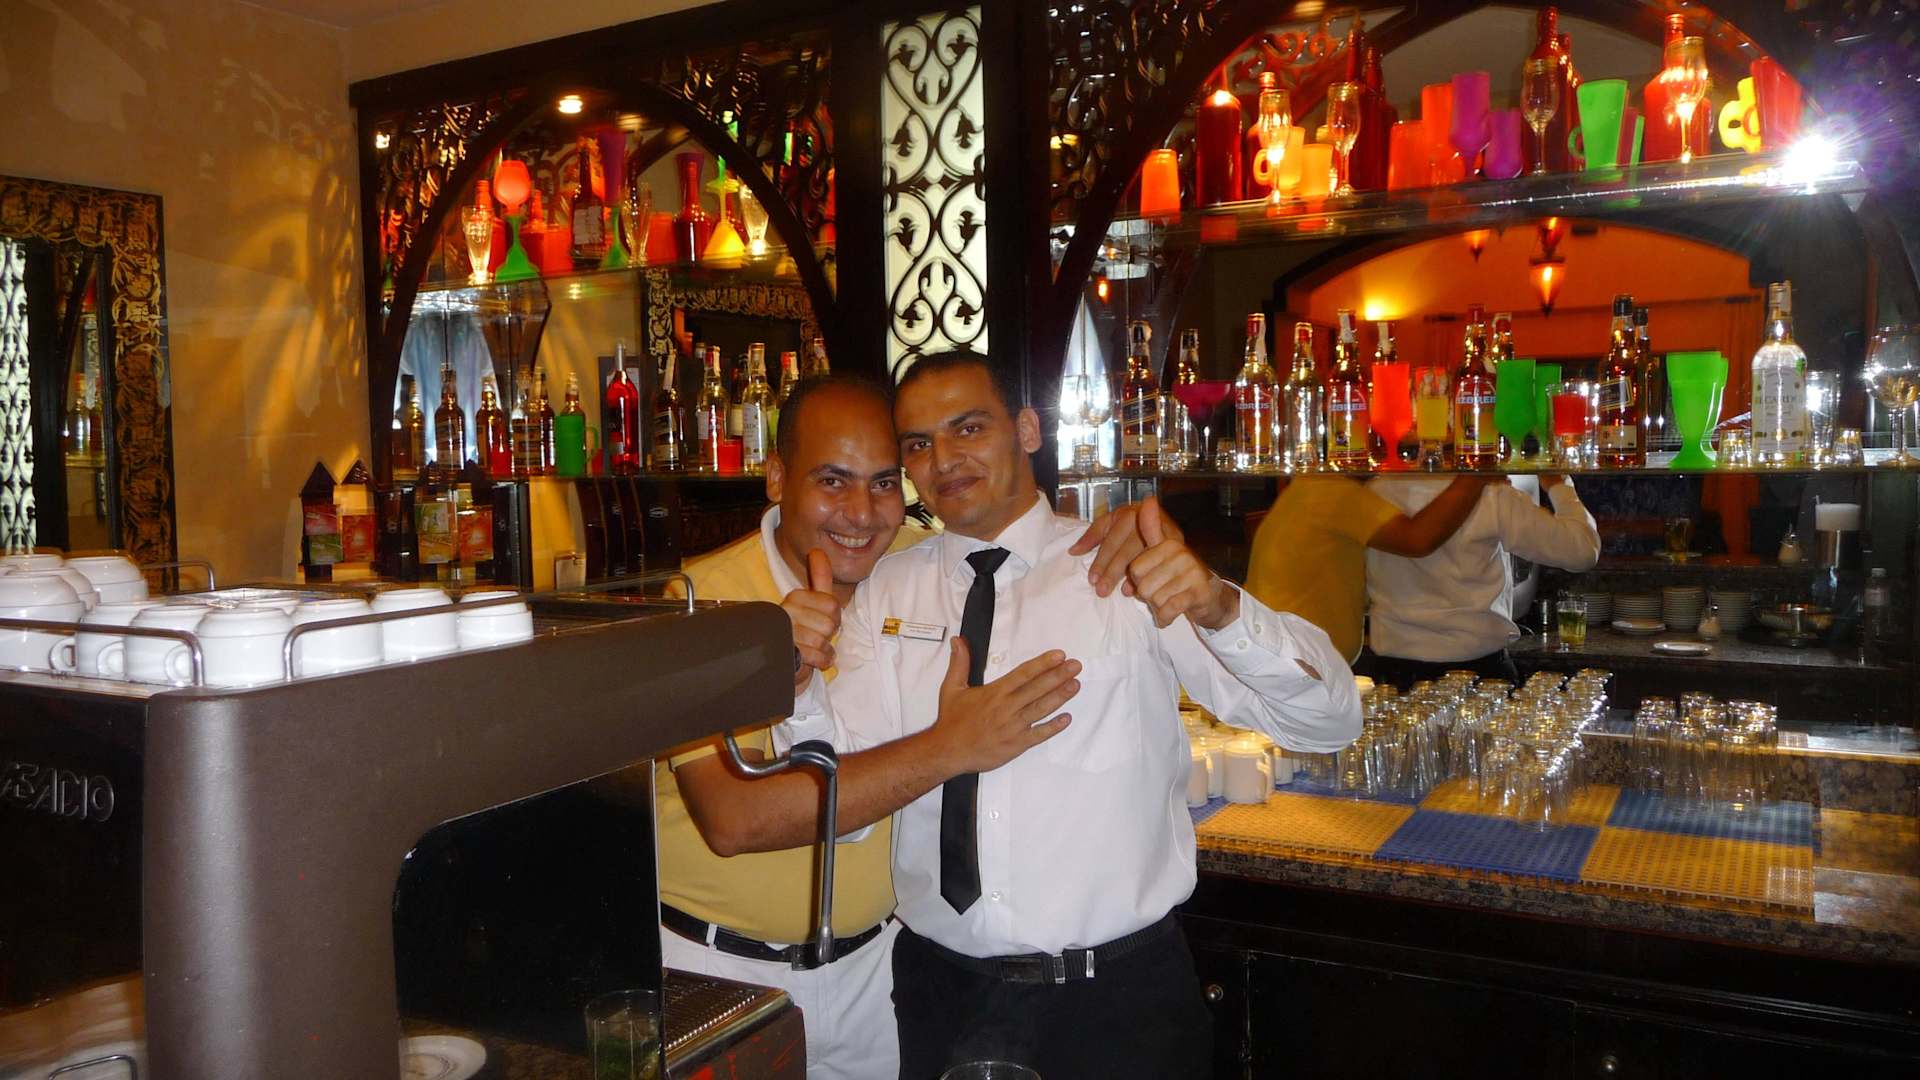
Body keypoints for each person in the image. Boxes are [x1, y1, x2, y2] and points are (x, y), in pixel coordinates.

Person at [787, 352, 1361, 1079]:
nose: (944, 459)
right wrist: (798, 687)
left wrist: (1218, 605)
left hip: (1118, 1003)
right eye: (919, 443)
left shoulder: (1123, 565)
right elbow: (842, 805)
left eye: (969, 428)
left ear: (1027, 429)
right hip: (943, 993)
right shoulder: (886, 592)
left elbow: (1328, 721)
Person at [657, 374, 1145, 1080]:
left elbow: (1027, 545)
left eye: (885, 482)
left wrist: (1129, 528)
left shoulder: (919, 566)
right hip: (724, 969)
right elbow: (733, 819)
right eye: (833, 480)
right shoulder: (698, 603)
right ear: (777, 477)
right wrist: (950, 749)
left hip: (878, 973)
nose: (861, 514)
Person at [1364, 473, 1601, 686]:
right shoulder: (1492, 494)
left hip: (1392, 673)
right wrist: (1559, 484)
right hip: (1480, 673)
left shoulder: (1375, 491)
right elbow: (1582, 551)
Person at [1244, 474, 1493, 666]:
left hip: (1279, 653)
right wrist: (1476, 476)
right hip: (1293, 662)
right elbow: (1417, 539)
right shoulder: (1332, 491)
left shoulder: (1309, 486)